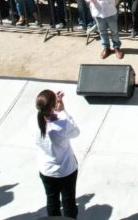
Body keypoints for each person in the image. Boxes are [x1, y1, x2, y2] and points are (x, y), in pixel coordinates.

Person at [34, 89, 80, 218]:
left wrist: (54, 107)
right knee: (69, 201)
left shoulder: (33, 122)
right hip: (66, 171)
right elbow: (76, 132)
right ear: (54, 106)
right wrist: (62, 111)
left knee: (52, 201)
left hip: (46, 171)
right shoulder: (61, 125)